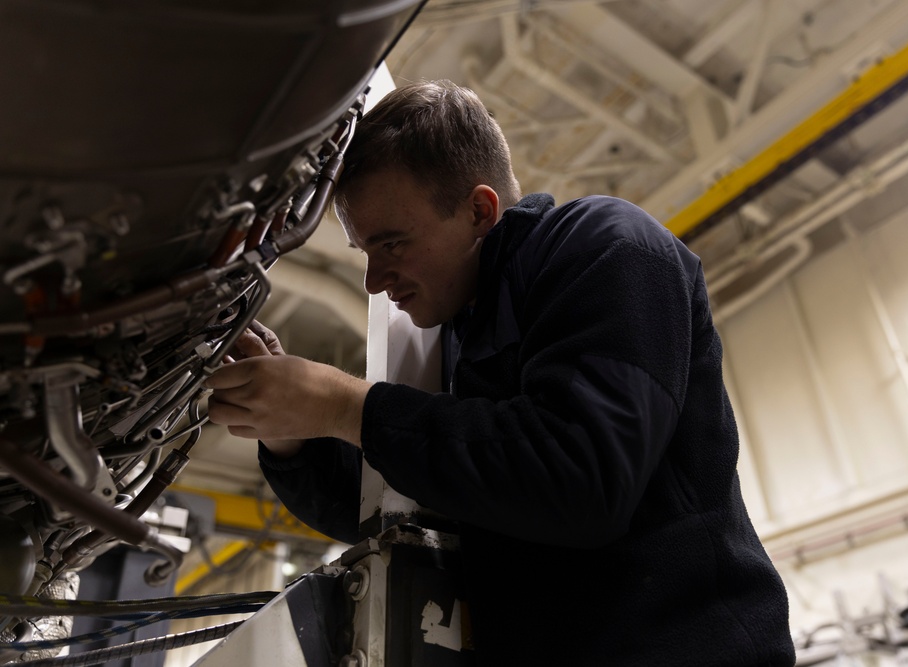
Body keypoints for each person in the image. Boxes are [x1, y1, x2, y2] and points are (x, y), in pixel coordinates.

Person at [206, 79, 795, 666]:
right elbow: (391, 510)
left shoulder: (609, 246)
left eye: (392, 244)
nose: (373, 280)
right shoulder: (454, 337)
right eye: (366, 252)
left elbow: (580, 479)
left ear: (480, 211)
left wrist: (343, 405)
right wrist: (289, 433)